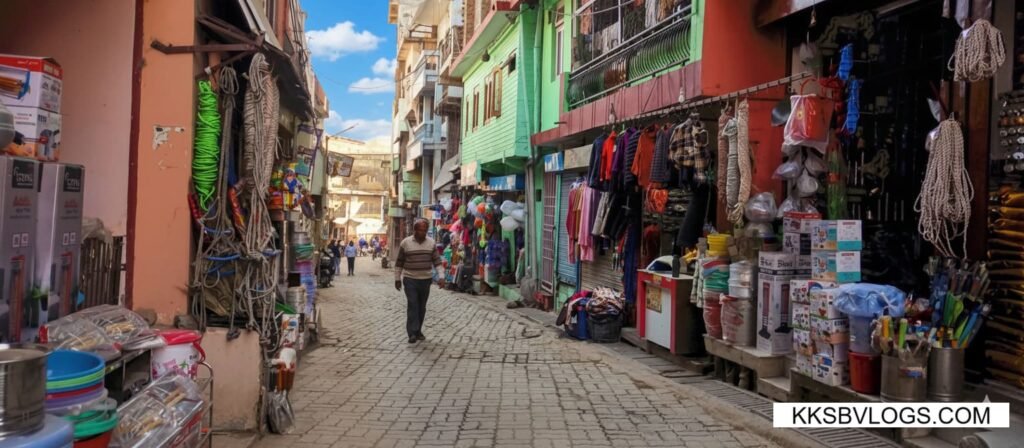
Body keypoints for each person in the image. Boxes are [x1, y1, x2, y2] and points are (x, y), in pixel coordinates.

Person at [395, 219, 445, 344]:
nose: (423, 233)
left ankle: (418, 331)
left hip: (425, 280)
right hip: (410, 279)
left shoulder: (431, 243)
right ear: (415, 230)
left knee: (421, 307)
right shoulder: (405, 243)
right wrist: (397, 278)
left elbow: (437, 262)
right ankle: (412, 332)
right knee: (413, 304)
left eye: (425, 230)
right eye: (420, 230)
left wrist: (442, 277)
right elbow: (399, 262)